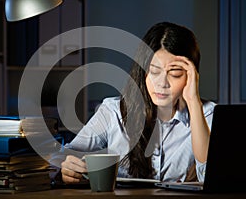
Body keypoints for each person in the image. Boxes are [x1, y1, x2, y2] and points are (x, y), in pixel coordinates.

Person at [60, 22, 216, 184]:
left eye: (175, 73)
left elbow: (209, 176)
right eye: (154, 71)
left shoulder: (208, 114)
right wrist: (67, 167)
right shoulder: (113, 111)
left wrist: (193, 101)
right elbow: (66, 157)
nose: (162, 83)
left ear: (192, 76)